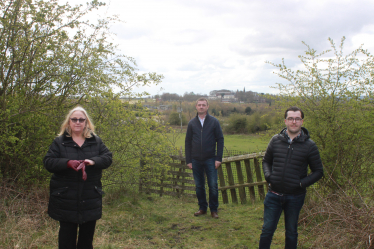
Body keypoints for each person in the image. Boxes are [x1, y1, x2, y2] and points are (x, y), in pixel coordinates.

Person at [44, 106, 112, 249]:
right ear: (69, 122)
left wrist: (93, 161)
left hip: (90, 197)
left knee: (86, 242)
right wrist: (67, 163)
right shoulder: (59, 142)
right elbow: (48, 162)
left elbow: (107, 158)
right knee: (66, 241)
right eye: (74, 119)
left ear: (86, 122)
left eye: (81, 120)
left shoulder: (96, 141)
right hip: (66, 198)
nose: (78, 122)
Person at [259, 106, 324, 249]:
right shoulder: (275, 140)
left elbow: (318, 171)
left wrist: (301, 184)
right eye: (290, 119)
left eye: (297, 119)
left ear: (302, 121)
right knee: (267, 230)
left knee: (291, 232)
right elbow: (266, 161)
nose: (293, 122)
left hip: (295, 197)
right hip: (273, 195)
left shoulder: (310, 145)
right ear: (285, 121)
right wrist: (269, 176)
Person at [185, 97, 224, 218]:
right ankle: (202, 208)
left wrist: (218, 158)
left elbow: (220, 139)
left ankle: (214, 209)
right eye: (199, 105)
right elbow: (187, 142)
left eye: (204, 105)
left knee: (213, 185)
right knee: (199, 186)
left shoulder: (214, 122)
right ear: (196, 107)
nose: (201, 106)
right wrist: (189, 160)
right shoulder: (192, 123)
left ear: (207, 107)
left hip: (210, 159)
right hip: (196, 160)